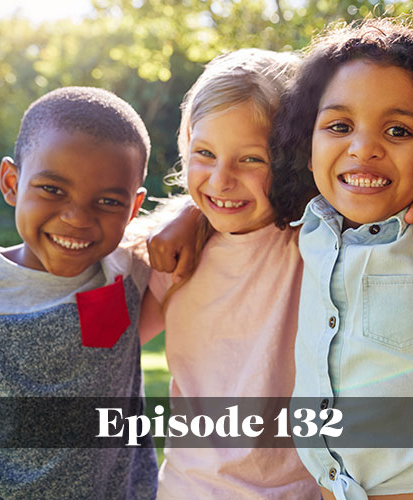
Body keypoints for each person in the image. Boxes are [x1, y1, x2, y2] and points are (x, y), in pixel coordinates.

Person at [269, 17, 413, 500]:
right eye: (339, 125)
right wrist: (182, 217)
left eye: (398, 130)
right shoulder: (311, 227)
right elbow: (223, 189)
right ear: (308, 142)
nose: (363, 148)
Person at [136, 48, 321, 499]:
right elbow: (106, 348)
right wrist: (188, 214)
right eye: (204, 153)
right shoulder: (170, 253)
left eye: (251, 159)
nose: (220, 180)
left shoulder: (316, 239)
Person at [0, 87, 157, 499]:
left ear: (134, 207)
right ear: (11, 182)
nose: (77, 218)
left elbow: (210, 213)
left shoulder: (127, 269)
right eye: (52, 190)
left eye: (108, 201)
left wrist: (179, 226)